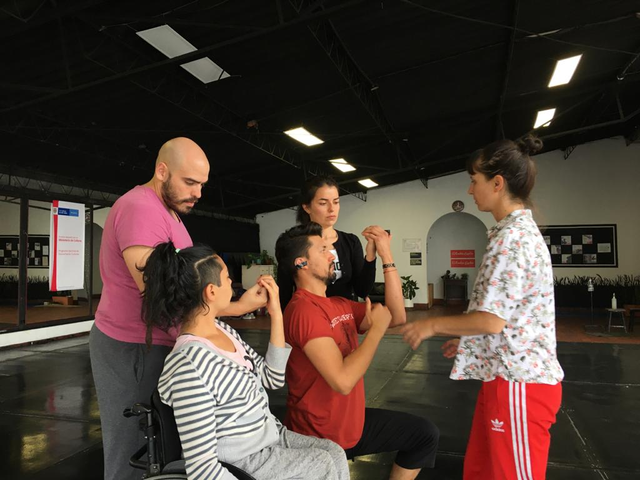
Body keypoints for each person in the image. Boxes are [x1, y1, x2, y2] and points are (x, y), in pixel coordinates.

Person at [89, 137, 266, 480]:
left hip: (160, 344)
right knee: (132, 451)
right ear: (162, 171)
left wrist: (229, 309)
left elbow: (187, 288)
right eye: (190, 182)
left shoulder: (169, 211)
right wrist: (229, 310)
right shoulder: (141, 210)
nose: (198, 193)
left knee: (164, 449)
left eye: (202, 185)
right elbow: (161, 296)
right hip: (134, 347)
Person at [401, 134, 564, 480]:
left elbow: (491, 320)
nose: (470, 189)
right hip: (503, 378)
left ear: (497, 183)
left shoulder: (513, 240)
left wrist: (431, 324)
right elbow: (507, 314)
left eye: (474, 180)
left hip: (520, 384)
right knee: (481, 470)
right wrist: (468, 339)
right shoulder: (509, 235)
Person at [142, 242, 350, 480]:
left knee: (334, 453)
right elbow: (203, 469)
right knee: (321, 464)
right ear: (211, 292)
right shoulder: (189, 365)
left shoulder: (223, 331)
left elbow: (273, 378)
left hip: (267, 437)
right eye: (227, 277)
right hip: (241, 459)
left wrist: (276, 313)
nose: (232, 281)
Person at [275, 223, 439, 480]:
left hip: (351, 425)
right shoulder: (303, 310)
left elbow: (396, 315)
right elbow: (342, 381)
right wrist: (376, 331)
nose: (332, 255)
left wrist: (386, 255)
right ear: (301, 263)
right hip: (319, 436)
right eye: (323, 250)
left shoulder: (339, 304)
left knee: (424, 435)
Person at [278, 176, 376, 308]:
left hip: (346, 315)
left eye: (336, 202)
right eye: (323, 203)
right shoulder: (295, 244)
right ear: (307, 207)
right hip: (312, 316)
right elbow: (284, 294)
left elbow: (362, 291)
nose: (331, 209)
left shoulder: (350, 242)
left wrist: (371, 255)